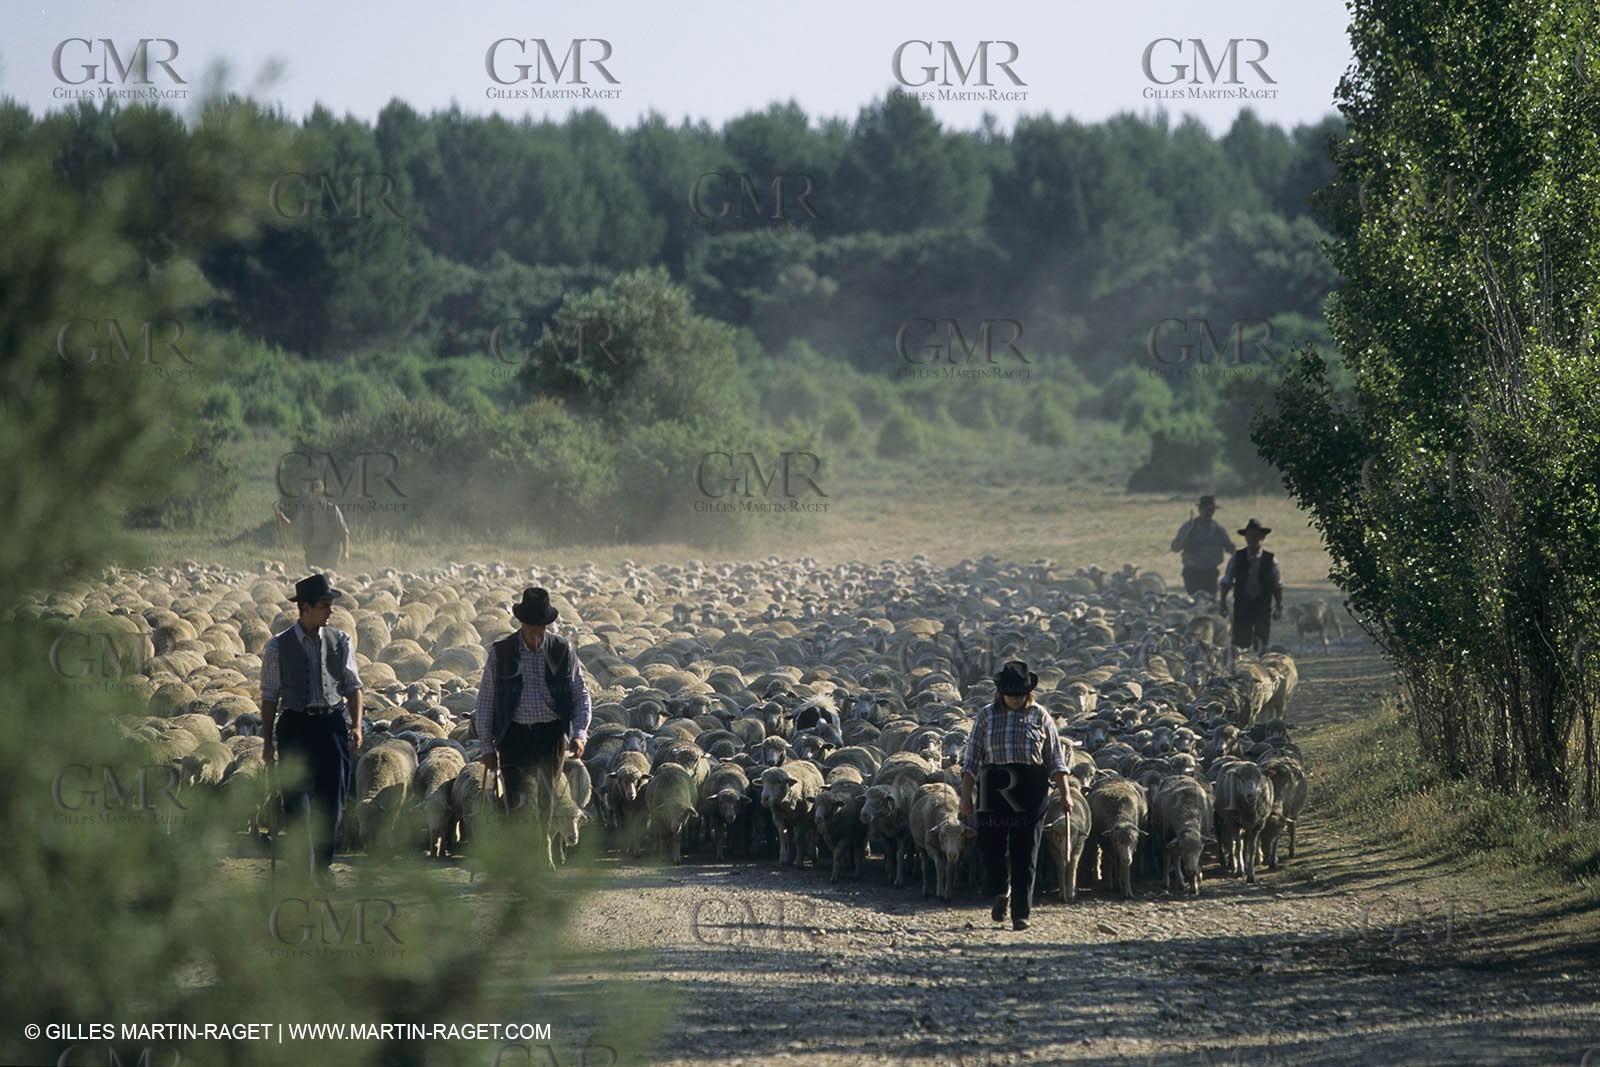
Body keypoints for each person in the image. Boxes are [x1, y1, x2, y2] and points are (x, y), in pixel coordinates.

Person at [260, 573, 364, 889]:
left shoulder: (340, 641)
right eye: (323, 606)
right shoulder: (277, 646)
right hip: (295, 727)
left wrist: (357, 724)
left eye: (330, 606)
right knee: (297, 802)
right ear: (304, 608)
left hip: (331, 726)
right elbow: (269, 695)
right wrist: (267, 742)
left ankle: (322, 865)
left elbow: (353, 686)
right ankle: (302, 871)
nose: (330, 612)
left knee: (332, 803)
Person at [959, 661, 1072, 931]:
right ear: (1001, 693)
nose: (1015, 699)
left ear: (1028, 693)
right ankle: (1001, 889)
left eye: (1020, 695)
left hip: (1031, 783)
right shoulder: (986, 715)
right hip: (994, 781)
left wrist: (1065, 793)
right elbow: (972, 758)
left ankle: (1021, 913)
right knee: (988, 843)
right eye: (1010, 695)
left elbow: (1054, 758)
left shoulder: (1040, 715)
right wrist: (965, 796)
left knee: (1026, 848)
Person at [472, 587, 592, 826]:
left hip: (551, 734)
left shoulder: (562, 650)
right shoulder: (502, 652)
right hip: (513, 734)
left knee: (547, 799)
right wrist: (486, 745)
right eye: (530, 628)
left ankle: (542, 848)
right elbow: (486, 699)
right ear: (521, 624)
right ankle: (521, 853)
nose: (536, 634)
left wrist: (579, 733)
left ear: (547, 626)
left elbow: (581, 694)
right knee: (517, 799)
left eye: (541, 629)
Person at [1219, 518, 1284, 652]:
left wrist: (1278, 606)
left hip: (1262, 605)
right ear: (1246, 538)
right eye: (1250, 536)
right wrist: (1222, 603)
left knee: (1261, 641)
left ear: (1262, 538)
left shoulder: (1270, 559)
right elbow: (1226, 581)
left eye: (1257, 536)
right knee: (1240, 642)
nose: (1253, 539)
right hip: (1242, 605)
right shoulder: (1238, 557)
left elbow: (1277, 585)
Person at [1170, 494, 1235, 597]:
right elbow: (1175, 548)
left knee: (1211, 604)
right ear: (1200, 509)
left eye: (1212, 510)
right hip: (1192, 573)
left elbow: (1230, 548)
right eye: (1207, 509)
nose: (1210, 512)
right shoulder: (1189, 526)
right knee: (1195, 602)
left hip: (1211, 574)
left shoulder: (1218, 529)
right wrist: (1186, 536)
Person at [277, 480, 350, 570]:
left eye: (319, 494)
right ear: (310, 496)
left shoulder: (333, 510)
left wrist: (345, 552)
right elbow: (295, 527)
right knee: (314, 580)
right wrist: (283, 519)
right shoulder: (306, 512)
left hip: (330, 552)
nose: (316, 498)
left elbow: (344, 532)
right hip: (313, 553)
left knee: (327, 578)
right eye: (314, 495)